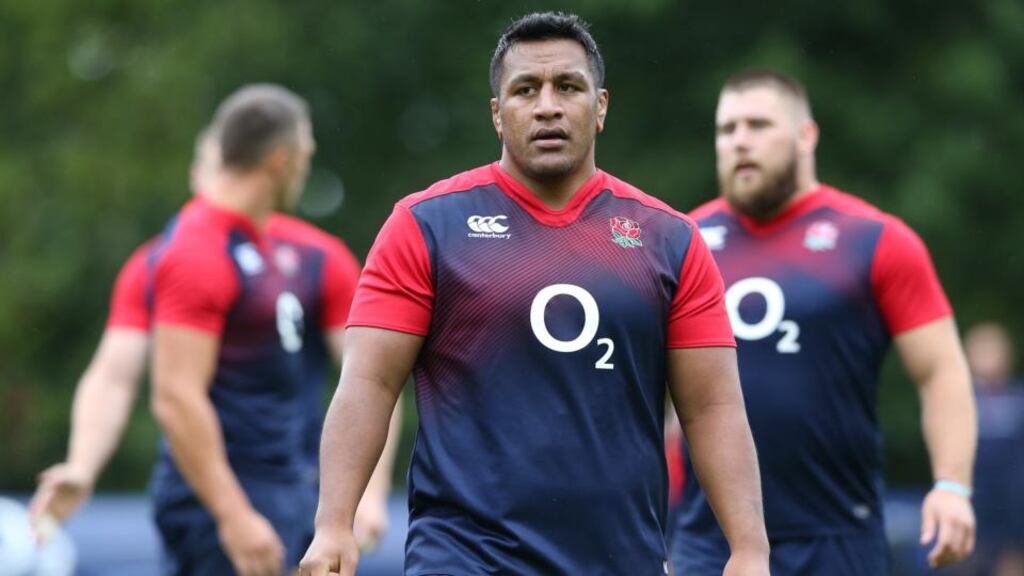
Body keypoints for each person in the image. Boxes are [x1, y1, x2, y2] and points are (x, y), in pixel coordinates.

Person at [300, 12, 769, 576]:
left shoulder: (670, 239)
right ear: (498, 116)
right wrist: (333, 525)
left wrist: (749, 549)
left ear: (599, 108)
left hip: (621, 558)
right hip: (464, 556)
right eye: (526, 90)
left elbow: (713, 406)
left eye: (568, 86)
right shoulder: (425, 225)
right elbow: (369, 382)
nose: (547, 105)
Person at [27, 127, 400, 558]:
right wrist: (82, 465)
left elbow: (372, 379)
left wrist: (367, 494)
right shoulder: (159, 260)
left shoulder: (320, 258)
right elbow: (113, 376)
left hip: (301, 490)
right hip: (200, 500)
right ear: (197, 174)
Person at [672, 68, 978, 575]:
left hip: (836, 536)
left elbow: (941, 371)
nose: (740, 142)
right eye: (727, 130)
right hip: (711, 540)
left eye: (758, 125)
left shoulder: (876, 240)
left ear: (806, 135)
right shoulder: (681, 241)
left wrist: (951, 485)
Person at [140, 83, 395, 576]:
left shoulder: (294, 250)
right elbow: (175, 397)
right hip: (226, 505)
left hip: (291, 493)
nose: (306, 168)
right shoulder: (197, 248)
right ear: (282, 160)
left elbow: (372, 373)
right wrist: (233, 516)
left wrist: (365, 496)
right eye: (306, 156)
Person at [959, 322, 1024, 576]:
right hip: (972, 500)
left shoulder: (1019, 397)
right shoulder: (958, 400)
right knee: (966, 561)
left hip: (1015, 504)